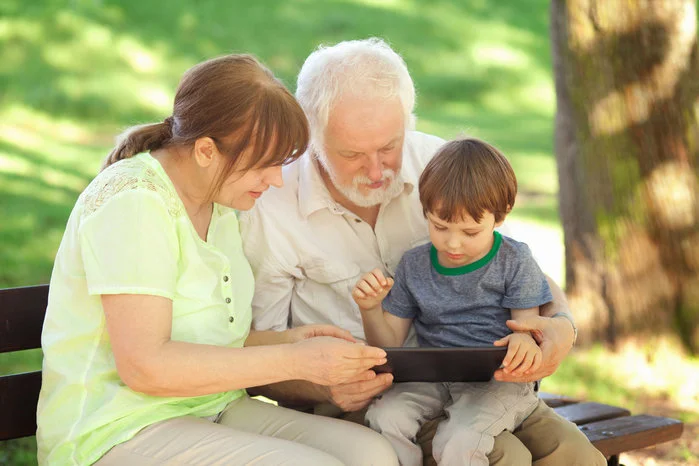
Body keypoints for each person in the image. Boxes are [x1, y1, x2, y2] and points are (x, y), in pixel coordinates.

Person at [240, 39, 606, 465]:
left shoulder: (439, 162)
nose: (376, 171)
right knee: (497, 454)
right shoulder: (271, 208)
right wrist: (323, 387)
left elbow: (515, 266)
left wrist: (561, 325)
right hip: (358, 401)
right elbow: (256, 359)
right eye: (352, 154)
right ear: (311, 137)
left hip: (481, 377)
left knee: (574, 455)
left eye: (389, 147)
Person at [36, 53, 399, 466]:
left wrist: (291, 345)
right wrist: (293, 360)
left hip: (211, 408)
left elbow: (212, 343)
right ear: (206, 151)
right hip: (116, 429)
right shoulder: (133, 202)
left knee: (371, 454)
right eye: (263, 166)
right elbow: (144, 366)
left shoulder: (223, 206)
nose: (276, 181)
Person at [352, 137, 575, 466]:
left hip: (498, 382)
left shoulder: (514, 260)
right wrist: (370, 308)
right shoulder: (414, 265)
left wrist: (523, 343)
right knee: (387, 416)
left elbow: (525, 328)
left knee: (458, 442)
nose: (453, 243)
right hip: (433, 377)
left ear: (499, 218)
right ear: (425, 211)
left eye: (470, 232)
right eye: (439, 226)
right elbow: (389, 344)